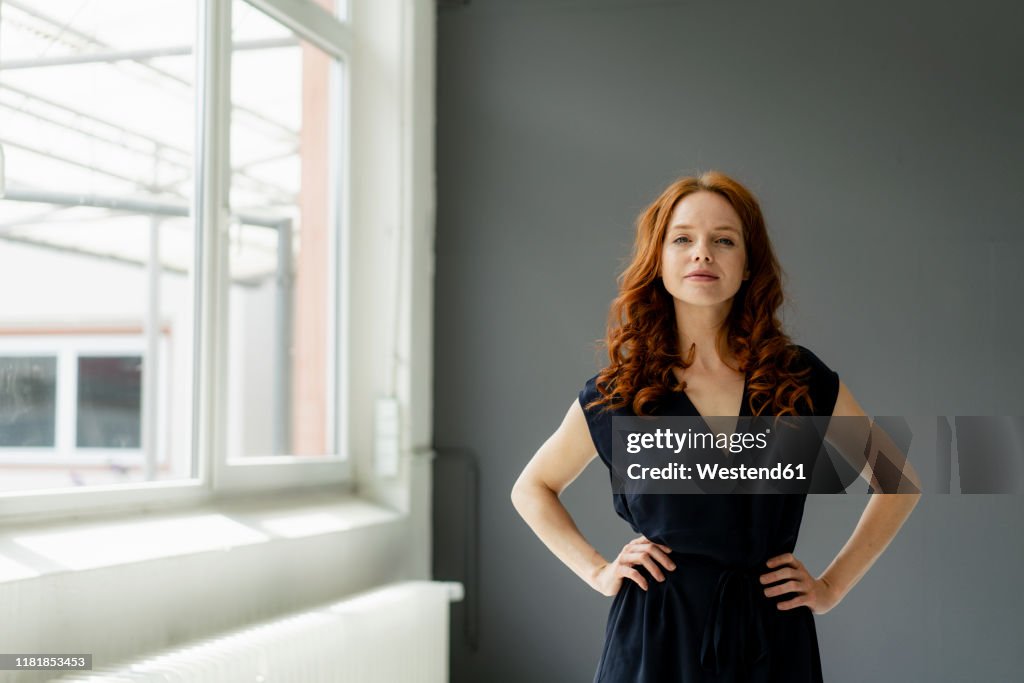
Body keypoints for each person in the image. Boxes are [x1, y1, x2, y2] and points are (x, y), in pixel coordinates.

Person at [510, 171, 921, 682]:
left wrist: (832, 586)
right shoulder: (619, 392)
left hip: (771, 638)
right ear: (658, 260)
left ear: (748, 265)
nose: (702, 253)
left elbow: (896, 482)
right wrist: (597, 570)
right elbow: (532, 488)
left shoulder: (798, 378)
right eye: (683, 239)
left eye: (723, 240)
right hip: (656, 640)